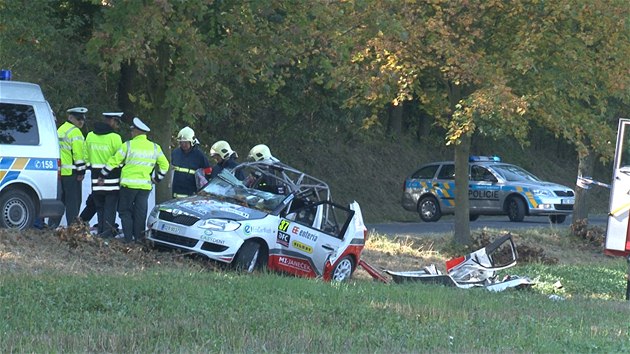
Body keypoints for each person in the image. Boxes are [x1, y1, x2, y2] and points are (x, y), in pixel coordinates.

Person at [98, 117, 169, 243]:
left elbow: (114, 161)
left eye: (132, 130)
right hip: (145, 188)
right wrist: (157, 179)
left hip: (128, 186)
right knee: (140, 213)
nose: (131, 133)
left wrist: (103, 174)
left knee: (125, 211)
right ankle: (139, 239)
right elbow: (165, 165)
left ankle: (128, 238)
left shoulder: (128, 145)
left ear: (137, 131)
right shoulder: (155, 148)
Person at [85, 112, 123, 237]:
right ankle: (106, 235)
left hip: (95, 178)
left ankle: (100, 232)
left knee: (99, 207)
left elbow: (86, 157)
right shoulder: (115, 138)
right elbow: (119, 158)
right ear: (111, 121)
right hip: (111, 178)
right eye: (117, 123)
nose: (118, 126)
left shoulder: (90, 136)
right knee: (110, 209)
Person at [49, 107, 88, 227]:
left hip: (61, 172)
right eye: (78, 118)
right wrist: (81, 171)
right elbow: (78, 154)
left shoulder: (61, 129)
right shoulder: (75, 132)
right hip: (72, 173)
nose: (81, 121)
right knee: (73, 203)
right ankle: (73, 228)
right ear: (70, 117)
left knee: (61, 201)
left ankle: (51, 226)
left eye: (82, 119)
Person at [171, 126, 212, 198]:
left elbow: (208, 173)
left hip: (192, 195)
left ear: (192, 142)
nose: (183, 145)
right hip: (176, 193)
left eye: (185, 142)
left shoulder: (199, 155)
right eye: (181, 142)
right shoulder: (175, 153)